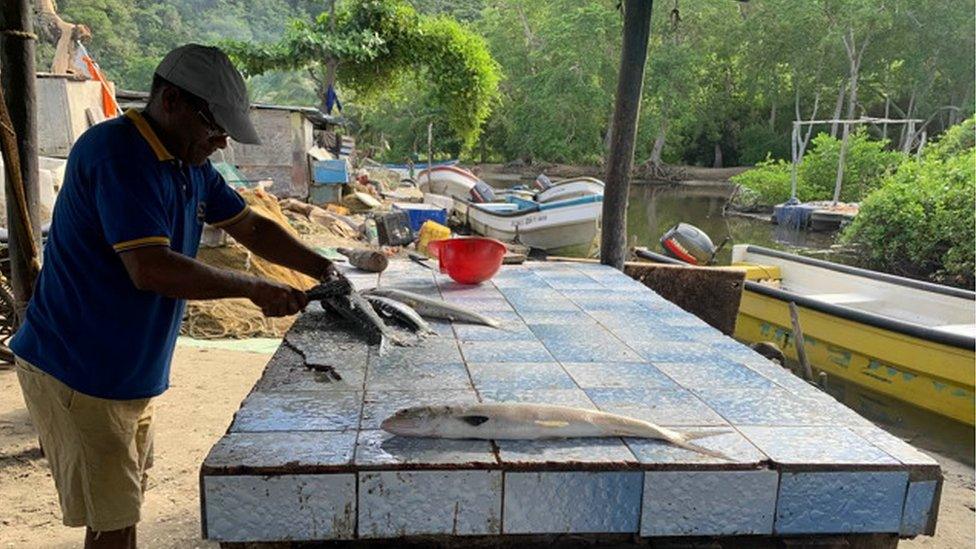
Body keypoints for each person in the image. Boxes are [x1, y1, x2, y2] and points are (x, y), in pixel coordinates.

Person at [10, 44, 337, 549]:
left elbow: (249, 225)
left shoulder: (189, 163)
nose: (221, 141)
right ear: (171, 101)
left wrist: (323, 267)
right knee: (113, 519)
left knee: (122, 506)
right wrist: (253, 288)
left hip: (125, 373)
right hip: (79, 369)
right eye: (213, 126)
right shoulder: (118, 153)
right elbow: (151, 268)